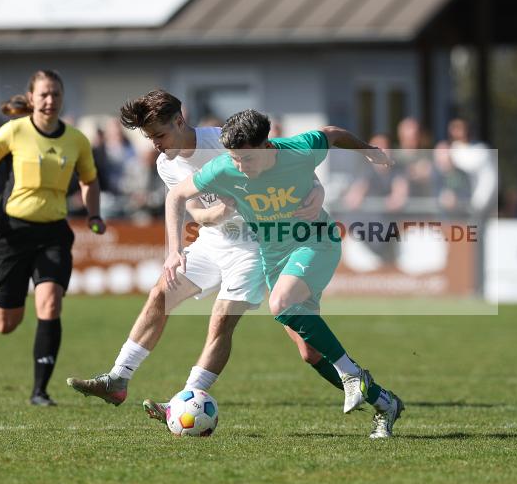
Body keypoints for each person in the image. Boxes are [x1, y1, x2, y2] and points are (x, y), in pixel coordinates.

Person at [65, 91, 351, 427]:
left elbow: (286, 160)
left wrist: (316, 190)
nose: (155, 144)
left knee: (257, 332)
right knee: (161, 293)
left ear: (179, 121)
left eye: (159, 135)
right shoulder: (165, 165)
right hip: (214, 241)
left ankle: (187, 399)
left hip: (256, 246)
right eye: (149, 137)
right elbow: (197, 215)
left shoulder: (222, 140)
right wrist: (184, 243)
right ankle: (118, 379)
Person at [164, 109, 405, 438]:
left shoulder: (299, 149)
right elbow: (176, 195)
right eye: (233, 158)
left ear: (266, 146)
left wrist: (367, 150)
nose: (238, 166)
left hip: (316, 242)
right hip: (274, 258)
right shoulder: (225, 166)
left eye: (245, 159)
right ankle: (385, 403)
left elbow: (332, 132)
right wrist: (175, 249)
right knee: (310, 352)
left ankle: (353, 376)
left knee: (280, 303)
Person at [0, 70, 105, 406]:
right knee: (4, 324)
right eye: (43, 94)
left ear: (62, 98)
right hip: (12, 233)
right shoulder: (13, 131)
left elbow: (89, 179)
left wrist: (94, 213)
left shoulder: (76, 140)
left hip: (54, 234)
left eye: (55, 94)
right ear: (31, 99)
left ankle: (40, 391)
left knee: (50, 304)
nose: (50, 100)